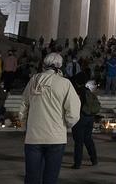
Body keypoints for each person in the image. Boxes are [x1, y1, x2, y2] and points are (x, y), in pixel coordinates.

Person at [20, 53, 81, 184]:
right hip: (56, 136)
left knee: (31, 176)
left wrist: (25, 125)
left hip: (33, 135)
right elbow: (74, 111)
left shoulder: (33, 80)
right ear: (60, 66)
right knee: (51, 177)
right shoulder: (65, 83)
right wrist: (66, 124)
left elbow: (23, 106)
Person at [71, 73, 99, 169]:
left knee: (78, 142)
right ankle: (94, 159)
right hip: (89, 118)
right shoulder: (88, 91)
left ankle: (77, 163)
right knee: (88, 139)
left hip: (80, 118)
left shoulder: (77, 91)